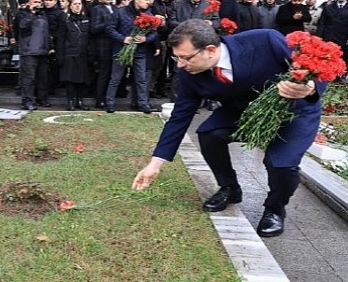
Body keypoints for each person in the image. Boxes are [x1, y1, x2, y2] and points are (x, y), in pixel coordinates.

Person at [132, 19, 325, 238]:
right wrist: (155, 164)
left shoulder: (265, 41)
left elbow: (317, 67)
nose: (180, 65)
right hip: (242, 110)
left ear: (211, 50)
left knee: (281, 164)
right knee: (209, 133)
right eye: (177, 58)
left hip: (294, 110)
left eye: (185, 58)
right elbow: (179, 118)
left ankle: (275, 209)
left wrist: (308, 87)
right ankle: (229, 188)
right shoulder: (189, 73)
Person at [105, 0, 159, 114]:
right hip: (121, 50)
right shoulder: (120, 12)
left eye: (149, 0)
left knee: (141, 79)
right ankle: (110, 103)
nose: (148, 3)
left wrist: (145, 38)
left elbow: (154, 33)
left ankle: (143, 103)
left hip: (140, 52)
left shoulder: (149, 14)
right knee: (116, 78)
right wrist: (123, 38)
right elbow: (109, 29)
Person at [17, 0, 51, 111]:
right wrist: (31, 13)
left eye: (39, 2)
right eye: (35, 2)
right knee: (29, 78)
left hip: (43, 51)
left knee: (43, 77)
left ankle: (42, 99)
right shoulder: (22, 14)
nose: (38, 4)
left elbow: (46, 32)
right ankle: (27, 101)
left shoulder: (43, 14)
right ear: (29, 3)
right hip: (29, 52)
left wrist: (49, 46)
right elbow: (22, 26)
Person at [57, 0, 91, 111]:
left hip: (83, 54)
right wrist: (60, 56)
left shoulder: (86, 19)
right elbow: (60, 39)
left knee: (81, 80)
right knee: (70, 80)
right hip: (70, 54)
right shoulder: (65, 20)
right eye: (75, 4)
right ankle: (70, 102)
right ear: (70, 6)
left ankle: (80, 101)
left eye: (79, 4)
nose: (77, 6)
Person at [90, 0, 118, 109]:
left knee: (114, 75)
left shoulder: (116, 8)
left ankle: (110, 98)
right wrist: (109, 21)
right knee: (104, 74)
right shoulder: (97, 9)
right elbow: (94, 28)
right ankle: (99, 99)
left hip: (116, 45)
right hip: (103, 47)